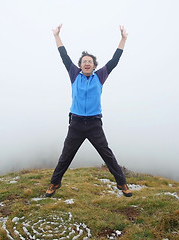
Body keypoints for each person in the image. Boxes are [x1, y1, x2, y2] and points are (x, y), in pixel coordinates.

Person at [45, 24, 132, 198]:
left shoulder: (100, 76)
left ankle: (122, 182)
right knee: (66, 156)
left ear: (94, 66)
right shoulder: (73, 74)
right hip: (76, 123)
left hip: (93, 124)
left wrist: (123, 39)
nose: (86, 63)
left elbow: (114, 61)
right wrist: (56, 36)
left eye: (89, 62)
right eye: (84, 61)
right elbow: (64, 55)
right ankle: (55, 182)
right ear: (80, 65)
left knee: (107, 154)